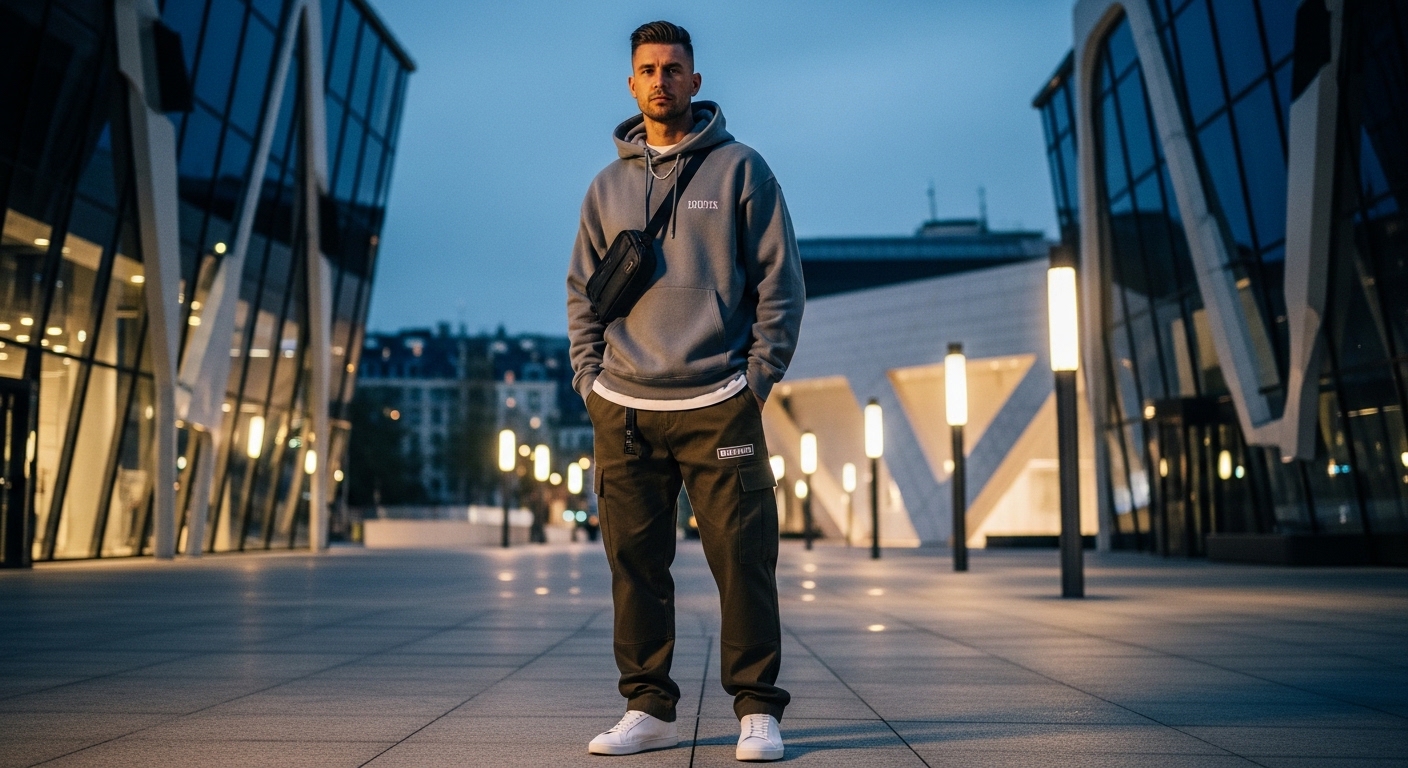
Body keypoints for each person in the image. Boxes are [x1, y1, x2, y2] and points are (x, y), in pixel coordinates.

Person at [566, 20, 804, 763]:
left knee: (743, 561)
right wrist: (591, 383)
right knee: (634, 566)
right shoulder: (606, 187)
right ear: (631, 83)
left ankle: (757, 710)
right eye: (648, 69)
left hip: (718, 402)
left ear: (695, 82)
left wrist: (754, 382)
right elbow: (582, 294)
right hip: (626, 407)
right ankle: (648, 708)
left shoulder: (741, 169)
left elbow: (781, 284)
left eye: (673, 69)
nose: (661, 80)